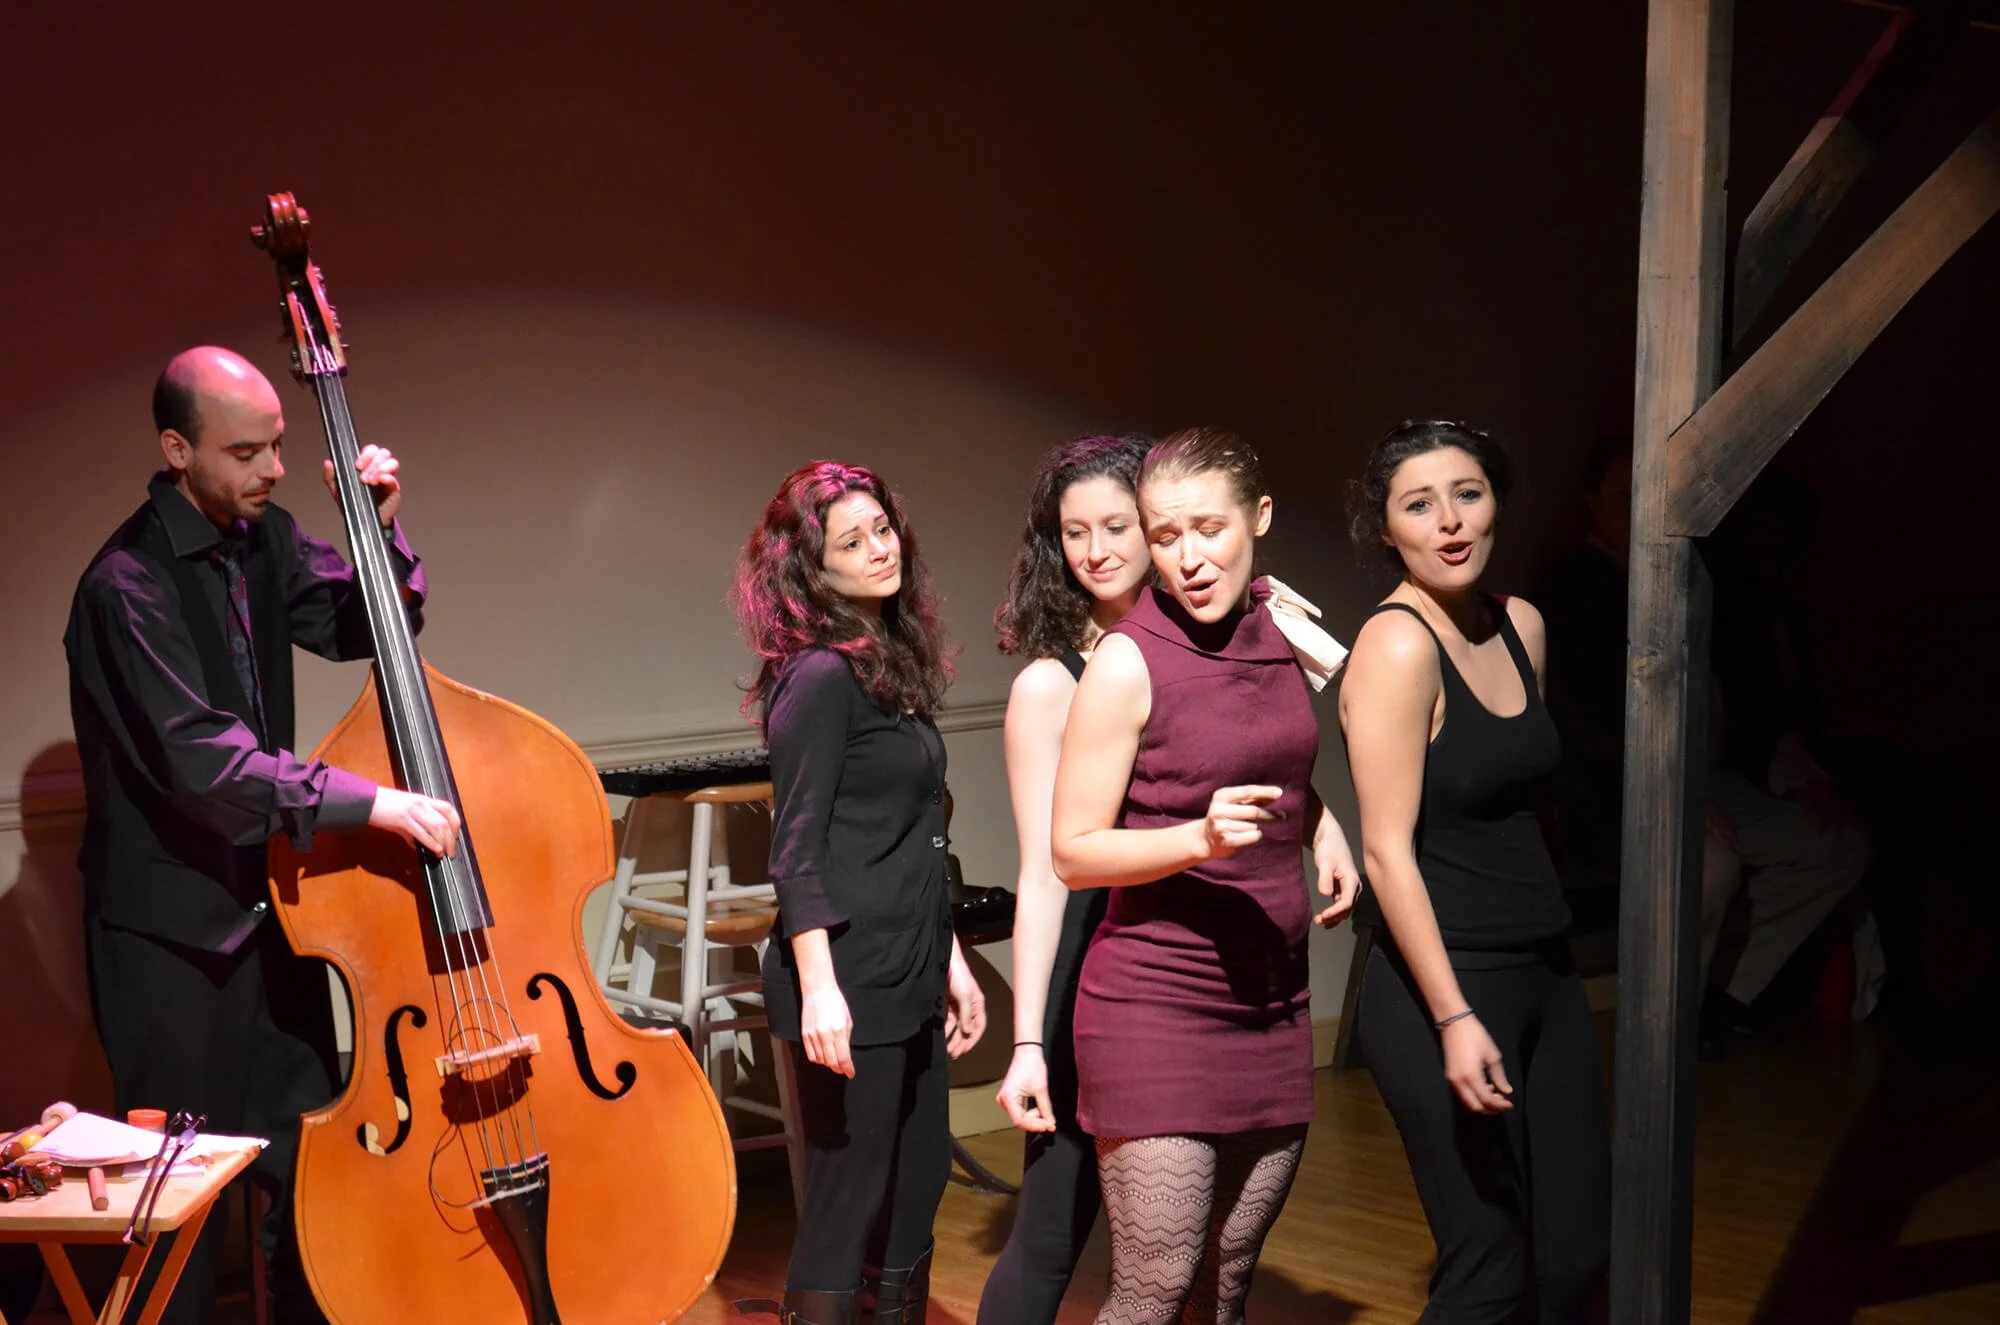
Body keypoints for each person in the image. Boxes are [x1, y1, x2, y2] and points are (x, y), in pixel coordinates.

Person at [63, 346, 463, 1324]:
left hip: (272, 922)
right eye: (246, 451)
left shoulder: (263, 538)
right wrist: (370, 802)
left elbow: (368, 622)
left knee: (313, 1184)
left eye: (278, 444)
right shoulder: (125, 586)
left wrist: (379, 530)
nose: (274, 467)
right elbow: (202, 760)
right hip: (170, 946)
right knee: (181, 1211)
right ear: (176, 448)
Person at [1050, 428, 1360, 1325]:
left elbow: (1274, 753)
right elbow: (1074, 849)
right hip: (1156, 1002)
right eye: (1165, 534)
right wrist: (1198, 838)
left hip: (1271, 995)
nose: (1188, 558)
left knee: (1224, 1283)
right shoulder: (1127, 661)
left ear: (1257, 519)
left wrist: (1321, 823)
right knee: (1153, 1286)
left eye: (1208, 529)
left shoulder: (1277, 621)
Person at [1340, 420, 1609, 1323]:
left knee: (1574, 1260)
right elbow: (1386, 849)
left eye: (1468, 493)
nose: (1449, 521)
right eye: (1419, 504)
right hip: (1441, 986)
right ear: (1387, 530)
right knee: (1489, 1268)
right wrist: (1453, 1014)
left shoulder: (1521, 625)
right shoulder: (1398, 646)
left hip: (1546, 970)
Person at [732, 461, 987, 1325]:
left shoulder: (889, 662)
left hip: (908, 963)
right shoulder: (819, 678)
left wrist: (951, 956)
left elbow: (912, 837)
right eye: (852, 540)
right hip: (848, 978)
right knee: (848, 1202)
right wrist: (820, 988)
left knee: (916, 1192)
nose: (880, 550)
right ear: (812, 568)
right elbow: (794, 851)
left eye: (883, 529)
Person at [1537, 439, 1869, 1055]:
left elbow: (1749, 690)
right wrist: (1670, 792)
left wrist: (1797, 769)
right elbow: (1586, 724)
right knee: (1707, 868)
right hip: (1626, 791)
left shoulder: (1701, 577)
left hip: (1717, 779)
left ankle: (1721, 997)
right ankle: (1665, 1034)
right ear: (1591, 504)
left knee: (1836, 845)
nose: (1639, 512)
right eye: (1622, 498)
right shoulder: (1570, 590)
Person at [977, 433, 1153, 1325]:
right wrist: (1027, 1042)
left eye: (1116, 524)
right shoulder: (1051, 684)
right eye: (1074, 532)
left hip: (1183, 967)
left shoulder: (1195, 652)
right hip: (1091, 971)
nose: (1096, 549)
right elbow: (1043, 875)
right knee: (1054, 1229)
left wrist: (1320, 826)